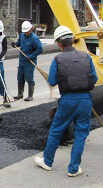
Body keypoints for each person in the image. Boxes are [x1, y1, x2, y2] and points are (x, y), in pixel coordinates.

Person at [34, 26, 98, 177]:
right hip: (85, 100)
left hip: (68, 100)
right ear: (73, 41)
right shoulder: (86, 56)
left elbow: (52, 80)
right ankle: (73, 169)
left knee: (56, 130)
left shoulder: (58, 59)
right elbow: (94, 78)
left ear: (59, 44)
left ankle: (48, 162)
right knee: (81, 134)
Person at [11, 21, 43, 101]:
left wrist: (31, 56)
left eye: (27, 31)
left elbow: (40, 49)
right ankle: (20, 94)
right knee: (20, 77)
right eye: (24, 32)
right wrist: (15, 44)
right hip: (22, 61)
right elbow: (19, 43)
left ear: (31, 29)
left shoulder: (34, 38)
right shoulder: (22, 35)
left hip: (29, 62)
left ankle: (30, 95)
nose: (25, 33)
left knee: (29, 78)